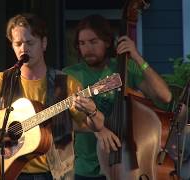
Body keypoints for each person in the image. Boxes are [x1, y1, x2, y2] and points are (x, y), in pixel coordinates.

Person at [0, 13, 105, 180]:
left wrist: (93, 111)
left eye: (30, 43)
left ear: (44, 43)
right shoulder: (2, 81)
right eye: (18, 44)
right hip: (11, 172)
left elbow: (94, 126)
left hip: (55, 174)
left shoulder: (66, 83)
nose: (23, 49)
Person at [63, 14, 172, 180]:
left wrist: (136, 56)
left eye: (93, 42)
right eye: (82, 43)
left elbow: (165, 96)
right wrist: (100, 129)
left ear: (107, 42)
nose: (87, 48)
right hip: (84, 169)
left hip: (126, 164)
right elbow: (63, 121)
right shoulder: (70, 74)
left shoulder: (124, 68)